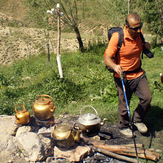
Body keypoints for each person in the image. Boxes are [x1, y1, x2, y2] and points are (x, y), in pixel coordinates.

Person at [104, 13, 152, 138]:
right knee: (124, 103)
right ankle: (123, 126)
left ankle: (137, 120)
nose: (138, 30)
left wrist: (146, 46)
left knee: (147, 98)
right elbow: (107, 58)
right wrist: (115, 66)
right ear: (127, 27)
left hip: (138, 73)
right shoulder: (117, 37)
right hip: (122, 76)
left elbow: (140, 47)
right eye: (135, 28)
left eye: (140, 27)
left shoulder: (139, 35)